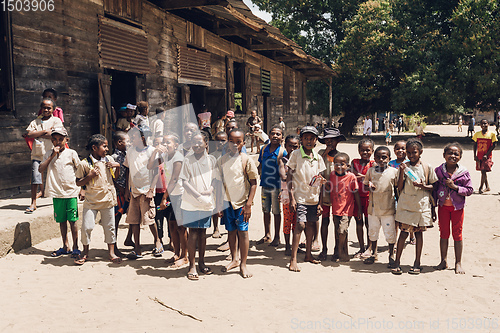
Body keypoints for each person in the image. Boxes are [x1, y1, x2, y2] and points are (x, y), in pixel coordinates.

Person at [392, 138, 438, 275]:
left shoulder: (427, 167)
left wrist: (422, 186)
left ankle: (417, 262)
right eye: (409, 152)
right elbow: (399, 187)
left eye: (414, 152)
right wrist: (401, 172)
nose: (411, 155)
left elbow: (433, 187)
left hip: (421, 207)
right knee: (403, 234)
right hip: (406, 205)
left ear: (420, 152)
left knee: (418, 235)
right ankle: (397, 262)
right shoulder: (404, 167)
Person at [217, 128, 258, 278]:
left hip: (241, 204)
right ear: (227, 142)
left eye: (238, 142)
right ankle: (234, 259)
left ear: (243, 143)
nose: (234, 145)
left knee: (243, 232)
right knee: (231, 232)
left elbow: (253, 183)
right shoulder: (221, 161)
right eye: (231, 141)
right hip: (227, 203)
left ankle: (243, 264)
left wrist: (248, 204)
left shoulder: (246, 160)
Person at [75, 134, 121, 265]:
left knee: (110, 227)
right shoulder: (84, 163)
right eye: (104, 146)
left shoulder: (109, 160)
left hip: (108, 200)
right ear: (94, 148)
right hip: (91, 201)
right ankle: (85, 251)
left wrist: (116, 166)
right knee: (87, 227)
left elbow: (115, 178)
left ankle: (111, 253)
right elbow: (78, 182)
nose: (107, 149)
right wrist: (90, 176)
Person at [286, 126, 326, 272]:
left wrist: (320, 202)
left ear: (316, 141)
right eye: (306, 138)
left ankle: (308, 254)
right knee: (300, 225)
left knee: (310, 226)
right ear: (301, 139)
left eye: (312, 138)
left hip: (314, 198)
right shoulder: (296, 154)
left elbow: (321, 181)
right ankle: (293, 259)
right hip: (300, 197)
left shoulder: (318, 157)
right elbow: (289, 177)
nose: (309, 141)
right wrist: (291, 197)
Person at [179, 132, 218, 280]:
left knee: (203, 233)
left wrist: (210, 190)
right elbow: (184, 181)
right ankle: (192, 265)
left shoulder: (212, 160)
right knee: (193, 232)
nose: (196, 145)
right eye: (194, 142)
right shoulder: (187, 161)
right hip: (191, 201)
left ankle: (202, 262)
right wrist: (197, 195)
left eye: (199, 142)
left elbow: (215, 179)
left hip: (206, 201)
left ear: (206, 143)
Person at [38, 127, 80, 258]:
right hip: (57, 193)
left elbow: (79, 171)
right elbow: (40, 169)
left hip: (71, 192)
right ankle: (65, 245)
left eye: (61, 139)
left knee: (73, 221)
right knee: (62, 221)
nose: (58, 142)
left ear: (66, 140)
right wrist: (52, 156)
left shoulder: (72, 153)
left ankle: (76, 247)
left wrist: (82, 189)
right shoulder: (48, 154)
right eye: (55, 140)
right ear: (51, 141)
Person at [433, 143, 473, 274]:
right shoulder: (439, 171)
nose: (453, 156)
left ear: (460, 157)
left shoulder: (463, 172)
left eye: (456, 154)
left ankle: (458, 262)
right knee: (444, 233)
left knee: (458, 234)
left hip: (457, 208)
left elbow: (469, 190)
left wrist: (455, 187)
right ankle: (443, 260)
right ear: (444, 155)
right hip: (443, 207)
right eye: (450, 153)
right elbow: (434, 189)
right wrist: (433, 207)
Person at [123, 127, 162, 259]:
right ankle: (137, 248)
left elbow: (156, 172)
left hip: (146, 191)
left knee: (149, 219)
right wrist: (127, 190)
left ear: (142, 138)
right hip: (134, 190)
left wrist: (151, 190)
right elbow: (128, 170)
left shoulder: (151, 151)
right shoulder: (130, 151)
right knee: (134, 220)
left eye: (133, 137)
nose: (131, 140)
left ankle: (158, 242)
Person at [24, 98, 63, 213]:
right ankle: (33, 202)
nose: (46, 110)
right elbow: (29, 134)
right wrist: (45, 132)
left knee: (58, 176)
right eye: (44, 107)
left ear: (53, 109)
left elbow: (56, 135)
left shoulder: (56, 121)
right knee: (35, 177)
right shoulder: (35, 121)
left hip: (52, 153)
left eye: (48, 108)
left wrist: (38, 134)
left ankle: (61, 199)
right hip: (37, 154)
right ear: (40, 108)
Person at [362, 146, 398, 266]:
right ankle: (373, 253)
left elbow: (398, 188)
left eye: (384, 157)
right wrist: (369, 187)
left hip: (388, 208)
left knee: (390, 233)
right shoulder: (371, 171)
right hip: (373, 209)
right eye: (378, 157)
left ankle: (391, 255)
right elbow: (365, 185)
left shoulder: (394, 172)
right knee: (373, 232)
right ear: (374, 158)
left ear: (389, 158)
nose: (381, 160)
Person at [159, 134, 188, 267]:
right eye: (163, 142)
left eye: (168, 143)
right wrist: (155, 151)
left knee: (181, 227)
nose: (165, 145)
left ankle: (184, 256)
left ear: (176, 145)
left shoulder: (178, 158)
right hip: (171, 194)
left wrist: (164, 197)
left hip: (180, 195)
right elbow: (150, 166)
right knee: (172, 225)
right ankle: (176, 253)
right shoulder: (165, 156)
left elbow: (175, 179)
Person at [318, 128, 346, 261]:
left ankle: (337, 249)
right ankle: (324, 249)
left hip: (337, 195)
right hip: (323, 194)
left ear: (338, 141)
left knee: (337, 223)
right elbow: (317, 168)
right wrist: (325, 154)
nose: (329, 142)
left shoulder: (341, 156)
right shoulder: (319, 154)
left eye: (332, 140)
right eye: (327, 140)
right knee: (324, 221)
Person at [256, 126, 286, 247]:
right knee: (265, 211)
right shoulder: (264, 149)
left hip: (276, 187)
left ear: (281, 137)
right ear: (268, 136)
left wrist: (283, 189)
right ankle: (267, 234)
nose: (275, 136)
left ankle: (277, 237)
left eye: (278, 134)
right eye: (272, 134)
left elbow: (285, 171)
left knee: (276, 212)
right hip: (264, 186)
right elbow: (260, 165)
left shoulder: (282, 152)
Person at [329, 152, 362, 262]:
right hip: (335, 208)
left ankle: (340, 249)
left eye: (342, 164)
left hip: (347, 209)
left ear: (347, 166)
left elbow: (356, 192)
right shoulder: (332, 175)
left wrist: (359, 209)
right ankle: (340, 251)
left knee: (342, 230)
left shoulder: (351, 176)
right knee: (337, 231)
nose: (339, 166)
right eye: (336, 164)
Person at [351, 138, 375, 259]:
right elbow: (352, 173)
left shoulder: (373, 164)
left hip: (369, 198)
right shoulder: (354, 162)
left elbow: (374, 177)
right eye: (362, 150)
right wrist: (366, 177)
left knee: (369, 224)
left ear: (372, 150)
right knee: (358, 222)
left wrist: (361, 176)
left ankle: (369, 247)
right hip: (356, 197)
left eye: (368, 150)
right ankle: (361, 247)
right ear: (358, 151)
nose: (365, 152)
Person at [279, 134, 300, 256]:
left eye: (295, 146)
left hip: (300, 195)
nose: (292, 149)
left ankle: (295, 246)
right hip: (287, 196)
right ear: (285, 146)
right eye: (290, 146)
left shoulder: (300, 159)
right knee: (287, 221)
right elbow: (284, 176)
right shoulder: (282, 161)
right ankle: (287, 246)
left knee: (298, 222)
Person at [111, 131, 130, 254]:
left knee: (134, 217)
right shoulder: (113, 158)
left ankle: (129, 239)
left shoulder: (127, 155)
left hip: (127, 191)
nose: (130, 143)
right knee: (116, 220)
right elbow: (112, 177)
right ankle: (114, 246)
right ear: (119, 143)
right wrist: (122, 189)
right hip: (118, 193)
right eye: (127, 141)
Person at [148, 136, 168, 254]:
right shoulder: (156, 159)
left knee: (170, 217)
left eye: (163, 143)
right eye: (157, 143)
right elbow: (150, 167)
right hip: (157, 193)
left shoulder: (171, 158)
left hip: (168, 193)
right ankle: (159, 239)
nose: (160, 146)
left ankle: (172, 241)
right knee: (157, 217)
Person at [210, 131, 228, 239]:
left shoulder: (229, 154)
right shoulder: (212, 156)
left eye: (223, 141)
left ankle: (228, 228)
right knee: (215, 206)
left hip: (227, 185)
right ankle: (215, 228)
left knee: (226, 207)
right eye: (218, 141)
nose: (220, 143)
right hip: (216, 184)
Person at [472, 119, 497, 194]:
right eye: (482, 124)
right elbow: (475, 145)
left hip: (487, 156)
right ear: (479, 125)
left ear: (488, 124)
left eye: (485, 124)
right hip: (479, 156)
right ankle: (487, 187)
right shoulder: (477, 134)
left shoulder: (492, 134)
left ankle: (480, 188)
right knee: (483, 171)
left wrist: (487, 154)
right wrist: (475, 155)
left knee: (483, 171)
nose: (483, 125)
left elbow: (494, 145)